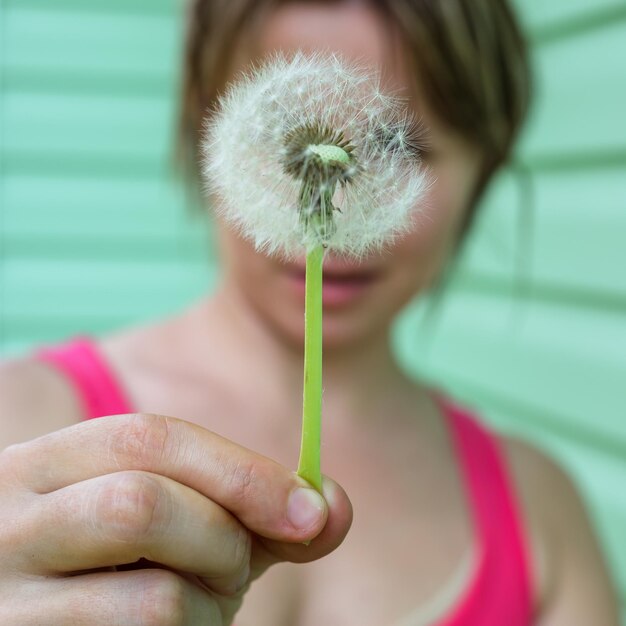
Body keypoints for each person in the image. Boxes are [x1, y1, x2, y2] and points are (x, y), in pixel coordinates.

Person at [0, 0, 620, 624]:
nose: (332, 207)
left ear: (483, 168)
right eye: (284, 140)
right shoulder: (22, 431)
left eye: (395, 148)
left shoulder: (543, 518)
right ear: (206, 130)